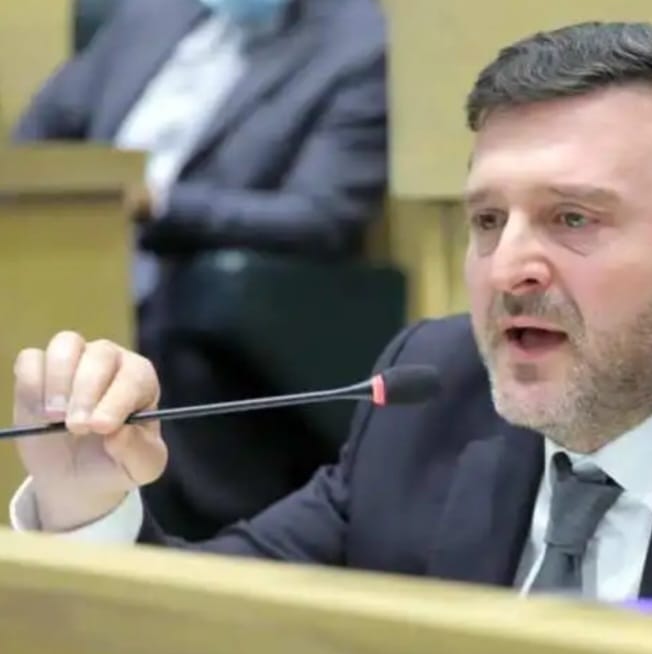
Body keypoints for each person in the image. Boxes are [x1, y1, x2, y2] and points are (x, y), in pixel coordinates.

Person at [9, 21, 652, 649]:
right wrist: (87, 505)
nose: (507, 269)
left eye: (573, 219)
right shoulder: (432, 387)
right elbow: (219, 629)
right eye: (489, 220)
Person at [11, 0, 389, 538]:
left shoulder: (356, 44)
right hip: (67, 258)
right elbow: (33, 143)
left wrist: (163, 205)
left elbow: (322, 215)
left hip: (193, 283)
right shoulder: (149, 16)